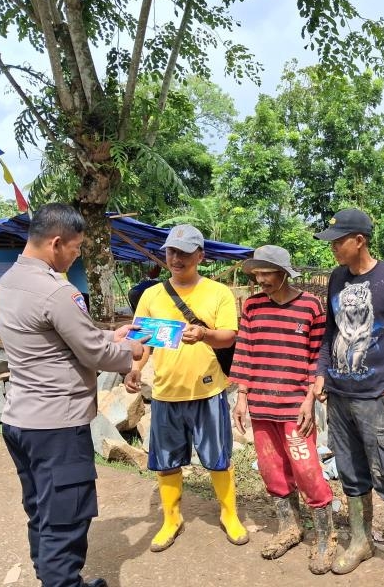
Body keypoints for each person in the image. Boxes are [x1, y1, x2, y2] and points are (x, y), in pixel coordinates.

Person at [0, 203, 145, 587]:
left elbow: (54, 339)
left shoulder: (7, 283)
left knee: (41, 510)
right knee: (65, 517)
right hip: (56, 427)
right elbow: (94, 354)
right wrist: (131, 352)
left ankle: (51, 578)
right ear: (56, 243)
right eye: (75, 248)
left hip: (20, 421)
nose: (76, 255)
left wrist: (110, 335)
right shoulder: (57, 290)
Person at [311, 208, 384, 587]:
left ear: (359, 240)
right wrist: (321, 372)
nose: (333, 247)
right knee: (350, 473)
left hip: (379, 401)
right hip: (339, 397)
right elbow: (330, 333)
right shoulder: (337, 278)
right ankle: (361, 541)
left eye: (338, 241)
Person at [124, 224, 248, 552]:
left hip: (208, 391)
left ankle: (229, 514)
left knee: (218, 457)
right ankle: (171, 519)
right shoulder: (151, 295)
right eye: (171, 251)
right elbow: (142, 340)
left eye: (184, 253)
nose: (176, 258)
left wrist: (205, 335)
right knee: (166, 460)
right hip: (166, 393)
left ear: (200, 256)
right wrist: (135, 369)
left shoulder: (218, 293)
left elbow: (229, 337)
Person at [230, 245, 336, 574]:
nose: (261, 280)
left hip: (295, 406)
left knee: (306, 470)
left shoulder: (310, 306)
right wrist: (242, 396)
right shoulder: (252, 306)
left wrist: (309, 399)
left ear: (284, 274)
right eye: (257, 274)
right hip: (261, 404)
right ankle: (289, 527)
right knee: (271, 469)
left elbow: (317, 356)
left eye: (268, 273)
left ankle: (326, 536)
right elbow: (245, 350)